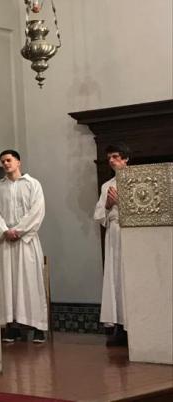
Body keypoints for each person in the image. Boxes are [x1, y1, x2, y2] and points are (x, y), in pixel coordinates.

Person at [0, 149, 48, 343]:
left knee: (30, 282)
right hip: (6, 241)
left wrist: (19, 230)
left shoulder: (33, 184)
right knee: (8, 283)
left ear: (18, 162)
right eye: (3, 161)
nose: (5, 164)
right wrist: (5, 230)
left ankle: (37, 326)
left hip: (26, 242)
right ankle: (12, 326)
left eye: (9, 160)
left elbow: (37, 211)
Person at [93, 143, 129, 346]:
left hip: (133, 233)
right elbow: (99, 215)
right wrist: (108, 205)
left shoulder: (138, 180)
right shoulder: (107, 186)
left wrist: (121, 201)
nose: (112, 161)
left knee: (129, 276)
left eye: (116, 156)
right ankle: (119, 326)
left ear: (126, 159)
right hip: (114, 232)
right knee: (115, 277)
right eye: (109, 158)